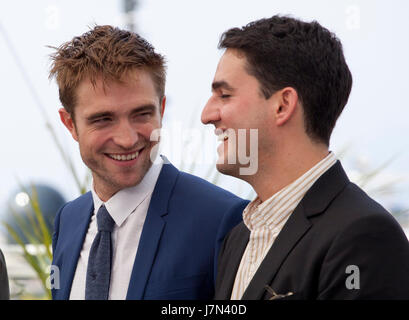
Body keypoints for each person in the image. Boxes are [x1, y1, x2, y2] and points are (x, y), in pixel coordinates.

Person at [201, 15, 409, 299]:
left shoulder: (362, 236)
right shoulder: (238, 237)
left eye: (224, 95)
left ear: (282, 105)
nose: (207, 115)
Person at [49, 25, 248, 300]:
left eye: (142, 114)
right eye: (103, 119)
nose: (128, 139)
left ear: (161, 109)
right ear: (70, 124)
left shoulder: (222, 219)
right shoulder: (67, 221)